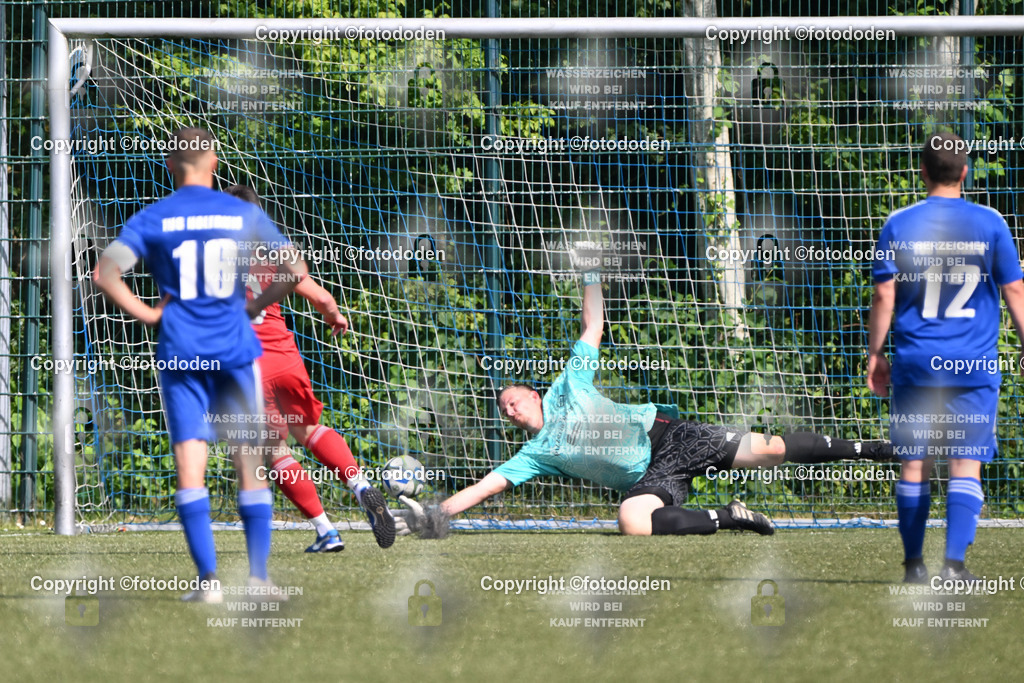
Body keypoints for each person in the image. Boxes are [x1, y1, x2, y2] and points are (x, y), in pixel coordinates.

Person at [397, 249, 891, 537]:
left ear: (532, 392)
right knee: (633, 521)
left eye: (513, 398)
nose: (508, 408)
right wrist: (438, 514)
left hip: (669, 438)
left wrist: (589, 271)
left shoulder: (568, 384)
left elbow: (593, 323)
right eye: (504, 409)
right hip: (652, 477)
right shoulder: (535, 454)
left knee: (768, 450)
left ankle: (871, 449)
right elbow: (487, 487)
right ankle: (730, 516)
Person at [93, 127, 307, 602]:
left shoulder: (154, 216)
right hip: (234, 351)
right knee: (249, 464)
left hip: (180, 352)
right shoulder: (243, 212)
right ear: (213, 161)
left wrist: (149, 314)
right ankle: (258, 580)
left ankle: (208, 582)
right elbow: (296, 270)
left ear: (170, 165)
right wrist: (255, 306)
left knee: (191, 467)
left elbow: (105, 273)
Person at [868, 131, 1024, 583]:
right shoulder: (990, 222)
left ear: (922, 171)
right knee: (965, 461)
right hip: (972, 365)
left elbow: (883, 295)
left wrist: (876, 354)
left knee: (915, 462)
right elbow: (1014, 289)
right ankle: (954, 566)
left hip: (917, 361)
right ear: (965, 172)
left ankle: (914, 567)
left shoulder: (900, 223)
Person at [224, 184, 395, 552]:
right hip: (284, 354)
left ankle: (326, 530)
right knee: (310, 428)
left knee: (274, 451)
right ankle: (360, 485)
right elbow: (322, 298)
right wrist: (335, 318)